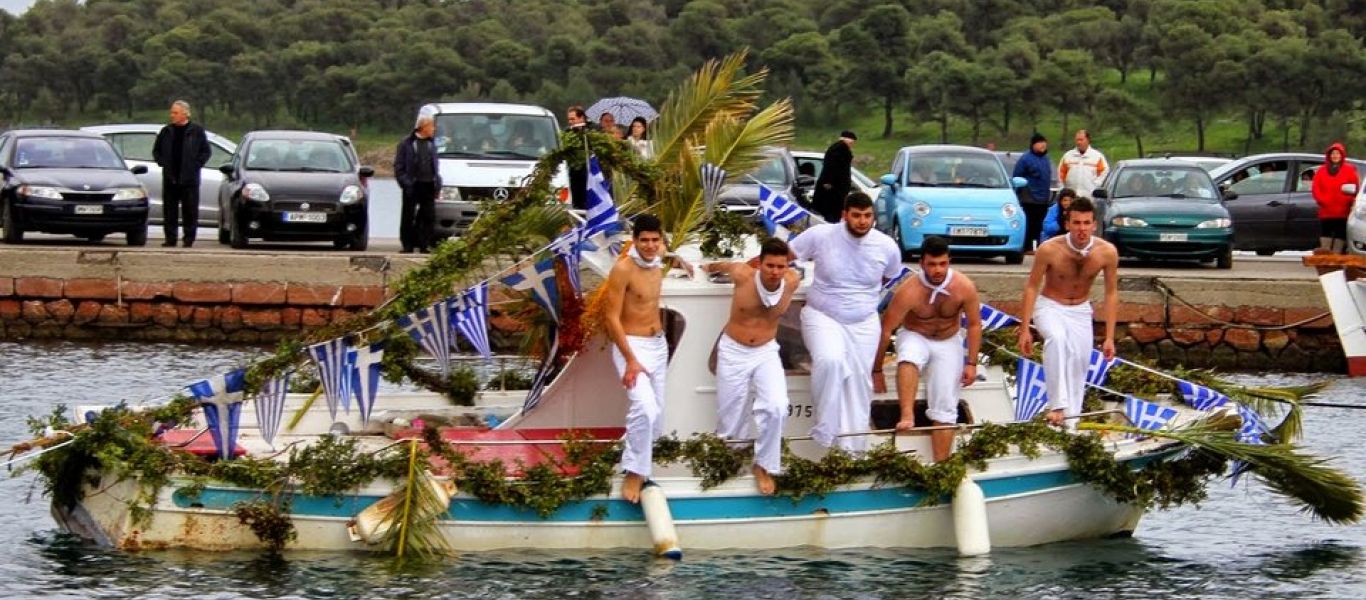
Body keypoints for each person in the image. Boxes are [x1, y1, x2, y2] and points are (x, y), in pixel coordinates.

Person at [789, 192, 903, 452]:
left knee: (859, 385)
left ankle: (853, 451)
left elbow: (889, 277)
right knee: (831, 362)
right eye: (856, 215)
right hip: (822, 315)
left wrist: (861, 302)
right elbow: (784, 256)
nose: (862, 221)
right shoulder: (821, 235)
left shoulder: (887, 246)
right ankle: (825, 432)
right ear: (844, 215)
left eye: (867, 216)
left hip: (864, 322)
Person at [701, 238, 802, 494]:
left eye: (781, 267)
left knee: (777, 406)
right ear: (760, 263)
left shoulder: (792, 281)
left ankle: (764, 465)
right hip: (734, 350)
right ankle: (732, 462)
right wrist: (705, 267)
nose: (775, 272)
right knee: (731, 414)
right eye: (770, 266)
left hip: (766, 351)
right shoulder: (743, 275)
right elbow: (721, 265)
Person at [872, 236, 982, 462]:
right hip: (915, 334)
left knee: (945, 403)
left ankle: (941, 463)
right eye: (932, 264)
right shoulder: (908, 291)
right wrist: (876, 370)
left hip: (949, 339)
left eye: (942, 264)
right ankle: (907, 414)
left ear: (949, 261)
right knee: (909, 356)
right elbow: (886, 330)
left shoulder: (964, 287)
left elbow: (973, 324)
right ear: (922, 263)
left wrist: (972, 363)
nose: (937, 270)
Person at [1016, 197, 1118, 428]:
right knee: (1057, 339)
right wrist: (1024, 329)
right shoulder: (1049, 249)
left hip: (1081, 311)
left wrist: (1110, 337)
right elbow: (1031, 286)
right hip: (1050, 305)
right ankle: (1057, 405)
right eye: (1076, 223)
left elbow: (1111, 293)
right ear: (1067, 224)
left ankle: (1069, 423)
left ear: (1094, 224)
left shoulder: (1107, 252)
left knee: (1080, 363)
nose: (1081, 229)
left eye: (1086, 223)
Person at [604, 214, 671, 503]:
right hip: (631, 345)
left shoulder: (658, 258)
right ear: (634, 240)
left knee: (656, 415)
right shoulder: (623, 269)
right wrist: (630, 359)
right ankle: (633, 470)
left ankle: (644, 463)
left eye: (655, 240)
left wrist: (684, 262)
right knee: (644, 406)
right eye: (644, 240)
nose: (650, 245)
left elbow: (668, 253)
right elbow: (610, 318)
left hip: (658, 345)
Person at [151, 100, 211, 248]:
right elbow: (156, 151)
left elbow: (206, 151)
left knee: (190, 211)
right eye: (171, 112)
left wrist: (196, 165)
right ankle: (170, 239)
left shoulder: (196, 131)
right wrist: (162, 162)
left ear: (185, 113)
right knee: (170, 211)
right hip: (170, 178)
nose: (172, 115)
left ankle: (188, 239)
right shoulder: (166, 131)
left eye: (175, 112)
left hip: (189, 180)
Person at [393, 114, 441, 254]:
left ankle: (424, 244)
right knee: (408, 215)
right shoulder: (406, 143)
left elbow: (435, 165)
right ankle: (407, 245)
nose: (433, 129)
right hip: (412, 185)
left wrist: (438, 181)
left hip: (428, 184)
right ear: (423, 127)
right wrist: (405, 182)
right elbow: (399, 166)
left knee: (429, 216)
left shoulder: (432, 144)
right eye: (431, 126)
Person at [1311, 142, 1360, 254]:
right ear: (1329, 155)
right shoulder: (1321, 171)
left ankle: (1336, 256)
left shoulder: (1349, 170)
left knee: (1340, 233)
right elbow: (1315, 188)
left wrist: (1349, 201)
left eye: (1338, 153)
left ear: (1342, 155)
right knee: (1326, 232)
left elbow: (1355, 188)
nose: (1335, 156)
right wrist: (1322, 200)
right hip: (1326, 210)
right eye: (1333, 153)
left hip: (1343, 211)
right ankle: (1325, 256)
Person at [1013, 133, 1053, 252]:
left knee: (1039, 224)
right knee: (1029, 223)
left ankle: (1036, 246)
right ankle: (1026, 246)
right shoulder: (1025, 159)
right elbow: (1017, 177)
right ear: (1033, 144)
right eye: (1039, 142)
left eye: (1044, 142)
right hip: (1029, 197)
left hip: (1043, 198)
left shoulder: (1046, 159)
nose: (1043, 145)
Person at [812, 131, 857, 223]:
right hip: (834, 190)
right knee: (832, 214)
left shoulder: (836, 148)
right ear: (847, 140)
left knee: (832, 214)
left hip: (835, 188)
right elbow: (832, 167)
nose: (852, 145)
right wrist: (829, 181)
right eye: (852, 143)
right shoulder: (840, 150)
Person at [1058, 129, 1107, 199]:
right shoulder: (1068, 156)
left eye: (1081, 140)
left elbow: (1105, 173)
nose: (1078, 142)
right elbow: (1061, 174)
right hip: (1071, 197)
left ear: (1088, 140)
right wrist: (1062, 189)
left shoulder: (1097, 156)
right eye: (1077, 140)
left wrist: (1095, 185)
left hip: (1090, 197)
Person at [566, 105, 590, 210]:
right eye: (569, 119)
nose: (570, 122)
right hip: (574, 173)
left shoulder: (591, 131)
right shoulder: (567, 132)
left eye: (572, 119)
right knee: (577, 203)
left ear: (581, 118)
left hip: (588, 173)